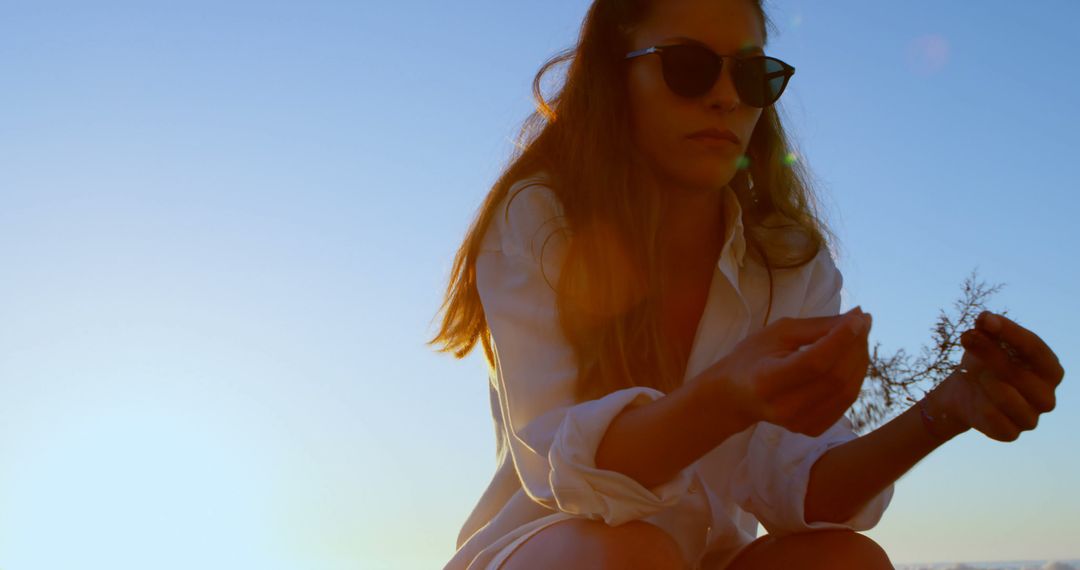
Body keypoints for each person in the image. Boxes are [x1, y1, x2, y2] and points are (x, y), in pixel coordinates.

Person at [429, 0, 1066, 568]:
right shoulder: (541, 219)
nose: (727, 98)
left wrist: (947, 410)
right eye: (688, 66)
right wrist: (727, 397)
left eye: (753, 75)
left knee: (846, 561)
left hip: (708, 555)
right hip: (548, 550)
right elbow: (561, 475)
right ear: (613, 77)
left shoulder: (788, 263)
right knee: (630, 552)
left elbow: (799, 487)